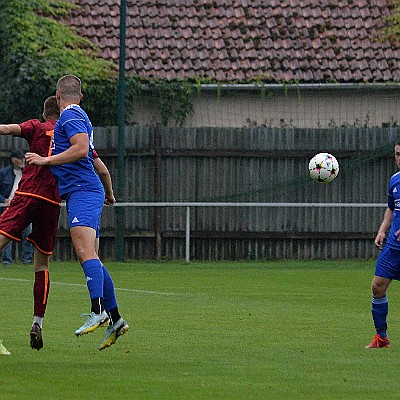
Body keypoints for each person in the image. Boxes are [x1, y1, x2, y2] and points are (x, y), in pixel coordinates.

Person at [26, 75, 129, 351]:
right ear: (80, 96)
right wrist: (108, 193)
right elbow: (101, 167)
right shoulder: (80, 118)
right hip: (89, 191)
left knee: (83, 251)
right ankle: (116, 319)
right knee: (93, 256)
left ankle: (98, 311)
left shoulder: (69, 117)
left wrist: (45, 159)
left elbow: (81, 150)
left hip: (82, 192)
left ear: (58, 97)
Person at [0, 96, 61, 351]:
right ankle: (38, 321)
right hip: (51, 201)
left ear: (44, 112)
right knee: (42, 264)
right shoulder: (72, 132)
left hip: (27, 194)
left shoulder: (36, 127)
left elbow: (5, 129)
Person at [365, 142, 400, 349]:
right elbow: (391, 208)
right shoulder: (395, 180)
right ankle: (382, 337)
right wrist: (382, 230)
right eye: (397, 154)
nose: (399, 158)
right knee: (377, 287)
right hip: (394, 246)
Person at [0, 149, 33, 265]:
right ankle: (6, 260)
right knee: (6, 233)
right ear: (14, 160)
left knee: (28, 233)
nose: (23, 160)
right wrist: (4, 200)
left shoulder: (28, 173)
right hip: (7, 207)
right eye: (20, 158)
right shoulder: (4, 173)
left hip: (24, 206)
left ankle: (27, 259)